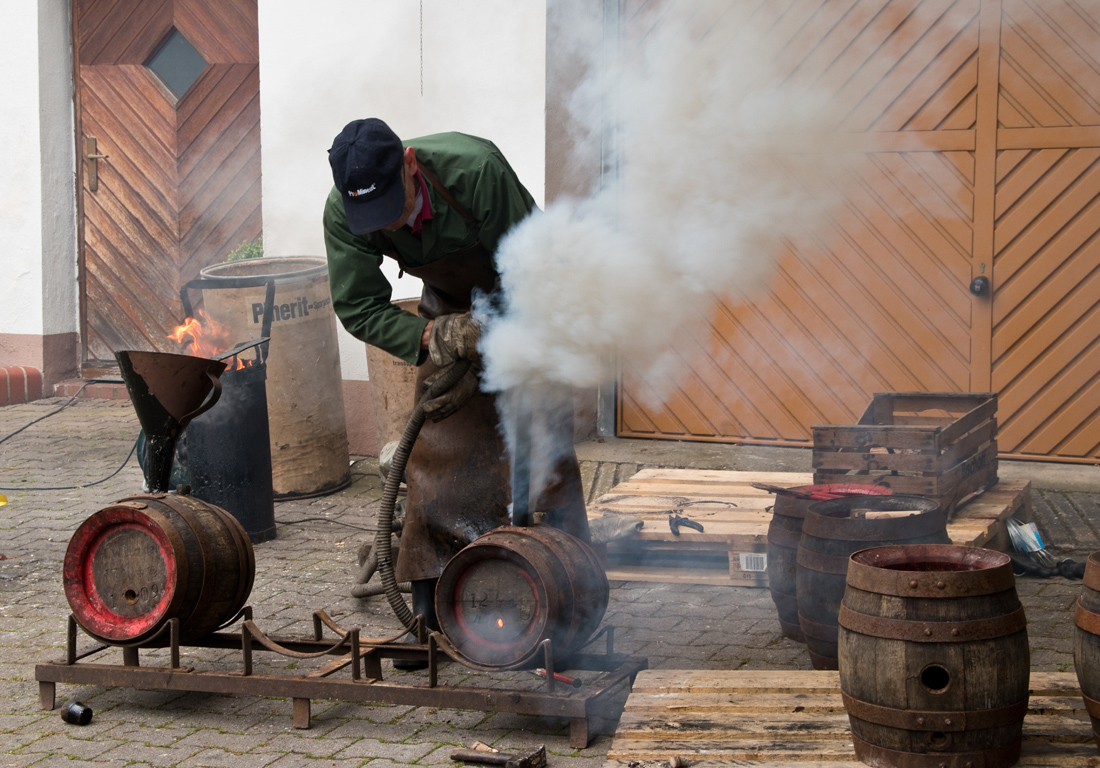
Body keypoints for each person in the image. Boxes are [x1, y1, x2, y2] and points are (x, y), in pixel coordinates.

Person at [324, 118, 590, 667]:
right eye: (376, 218)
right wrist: (433, 337)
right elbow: (358, 306)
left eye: (395, 205)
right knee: (435, 451)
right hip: (448, 315)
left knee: (543, 449)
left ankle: (567, 608)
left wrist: (496, 351)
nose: (388, 222)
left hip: (529, 303)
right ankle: (429, 616)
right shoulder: (344, 210)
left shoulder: (476, 172)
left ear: (411, 165)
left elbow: (537, 275)